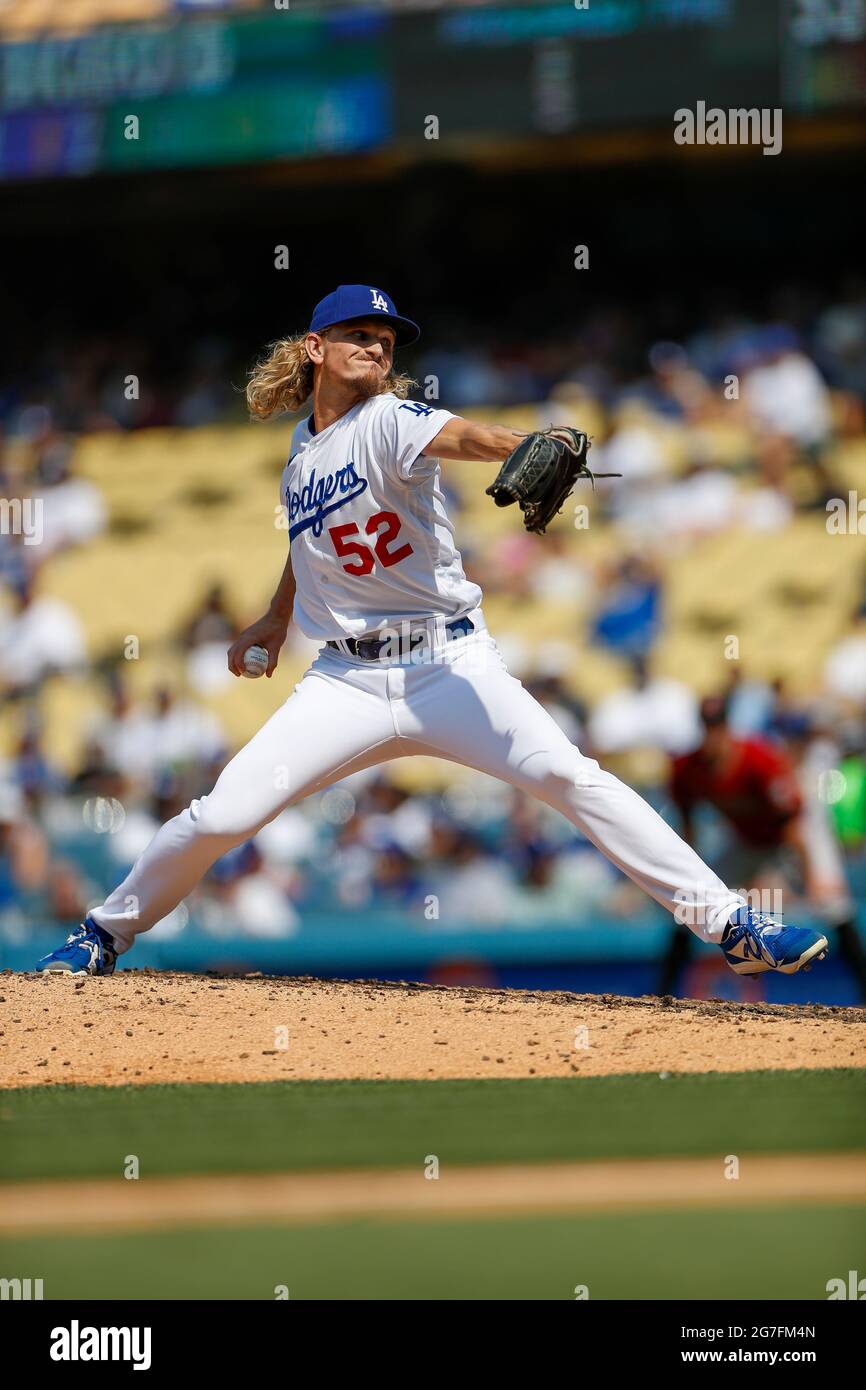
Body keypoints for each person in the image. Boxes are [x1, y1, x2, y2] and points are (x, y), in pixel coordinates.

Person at [37, 285, 828, 981]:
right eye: (359, 335)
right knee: (219, 817)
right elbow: (307, 538)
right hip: (344, 681)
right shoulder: (301, 450)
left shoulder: (391, 419)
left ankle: (731, 925)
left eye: (385, 340)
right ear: (315, 349)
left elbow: (466, 437)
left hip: (449, 666)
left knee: (573, 780)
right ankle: (102, 934)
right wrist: (277, 618)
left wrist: (528, 445)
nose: (377, 345)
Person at [659, 696, 862, 996]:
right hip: (747, 841)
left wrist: (811, 878)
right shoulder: (689, 768)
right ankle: (663, 992)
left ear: (727, 727)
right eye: (707, 726)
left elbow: (792, 822)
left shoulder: (757, 758)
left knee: (833, 905)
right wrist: (689, 868)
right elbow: (688, 824)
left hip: (794, 835)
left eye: (717, 726)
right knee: (691, 900)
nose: (712, 734)